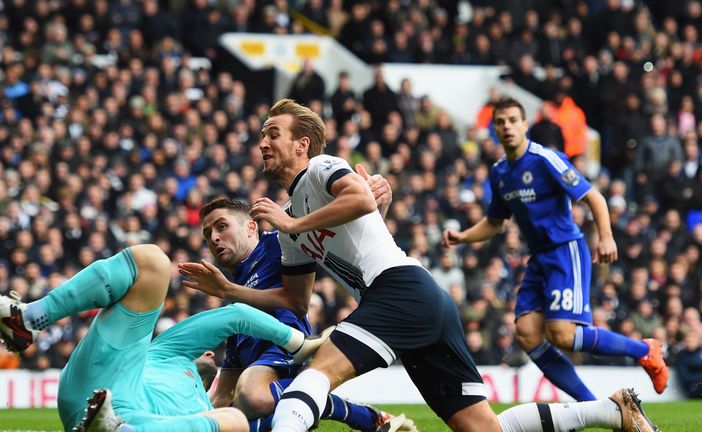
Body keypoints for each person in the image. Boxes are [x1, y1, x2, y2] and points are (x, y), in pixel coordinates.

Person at [180, 98, 658, 432]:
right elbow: (293, 299)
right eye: (263, 134)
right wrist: (229, 291)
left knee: (313, 379)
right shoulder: (292, 217)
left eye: (273, 133)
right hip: (417, 303)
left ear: (302, 144)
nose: (262, 142)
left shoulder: (322, 169)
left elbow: (361, 198)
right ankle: (612, 412)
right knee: (483, 427)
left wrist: (290, 222)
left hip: (400, 290)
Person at [0, 244, 331, 432]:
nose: (210, 354)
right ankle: (28, 318)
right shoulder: (170, 350)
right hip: (100, 387)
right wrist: (299, 343)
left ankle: (123, 430)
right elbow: (234, 316)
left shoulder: (208, 403)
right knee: (153, 262)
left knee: (234, 420)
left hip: (129, 418)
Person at [442, 96, 668, 402]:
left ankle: (646, 351)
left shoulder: (545, 159)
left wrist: (605, 236)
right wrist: (463, 237)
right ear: (493, 128)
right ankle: (591, 405)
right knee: (527, 333)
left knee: (562, 335)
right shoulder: (499, 172)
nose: (506, 126)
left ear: (524, 125)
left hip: (565, 250)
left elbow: (594, 197)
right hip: (539, 259)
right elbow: (495, 221)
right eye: (500, 121)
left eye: (512, 120)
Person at [190, 198, 405, 432]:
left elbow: (331, 233)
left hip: (288, 346)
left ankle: (328, 400)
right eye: (208, 233)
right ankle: (367, 418)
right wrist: (194, 421)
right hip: (256, 369)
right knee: (228, 418)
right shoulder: (234, 292)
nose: (214, 238)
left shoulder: (276, 243)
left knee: (252, 396)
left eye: (222, 226)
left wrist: (376, 211)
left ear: (251, 227)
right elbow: (223, 394)